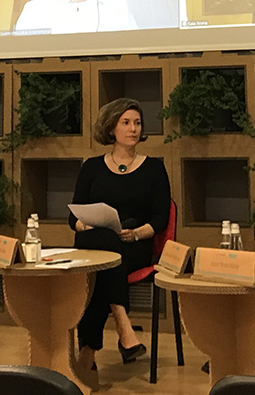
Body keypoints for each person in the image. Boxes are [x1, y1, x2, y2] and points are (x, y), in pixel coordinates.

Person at [68, 98, 171, 386]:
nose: (133, 128)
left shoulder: (154, 169)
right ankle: (123, 324)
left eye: (137, 123)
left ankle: (87, 352)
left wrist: (136, 233)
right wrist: (84, 223)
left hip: (133, 244)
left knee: (101, 268)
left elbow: (160, 219)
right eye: (126, 122)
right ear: (111, 128)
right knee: (101, 241)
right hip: (96, 243)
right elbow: (72, 217)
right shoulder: (91, 168)